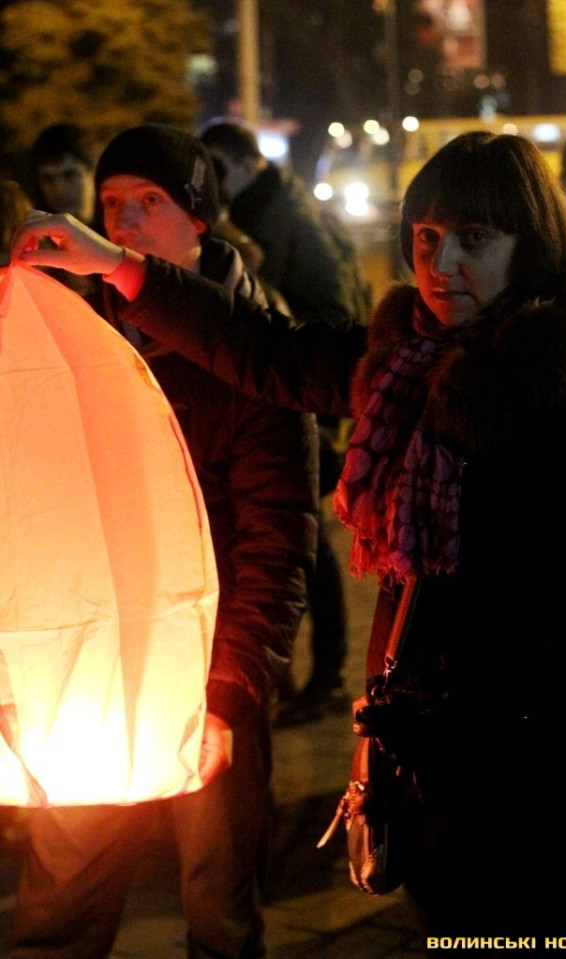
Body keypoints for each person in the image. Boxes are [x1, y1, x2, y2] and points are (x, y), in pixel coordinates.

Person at [13, 129, 566, 951]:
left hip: (541, 770)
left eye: (474, 239)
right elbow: (263, 349)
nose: (441, 263)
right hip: (424, 769)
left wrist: (483, 681)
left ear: (532, 242)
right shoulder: (406, 360)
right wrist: (117, 265)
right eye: (426, 237)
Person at [8, 123, 319, 959]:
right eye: (113, 203)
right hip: (90, 675)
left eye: (150, 201)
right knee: (61, 897)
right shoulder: (76, 340)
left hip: (209, 674)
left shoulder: (253, 347)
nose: (127, 221)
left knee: (218, 897)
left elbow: (280, 539)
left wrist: (231, 693)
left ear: (199, 219)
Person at [199, 118, 371, 723]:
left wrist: (269, 324)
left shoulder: (288, 218)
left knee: (306, 539)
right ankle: (302, 673)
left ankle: (328, 674)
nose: (212, 183)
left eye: (218, 169)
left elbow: (334, 311)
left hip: (300, 398)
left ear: (246, 165)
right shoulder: (260, 210)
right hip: (279, 390)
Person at [29, 122, 98, 225]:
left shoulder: (118, 225)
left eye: (70, 175)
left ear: (94, 173)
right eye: (48, 179)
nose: (59, 190)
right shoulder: (36, 230)